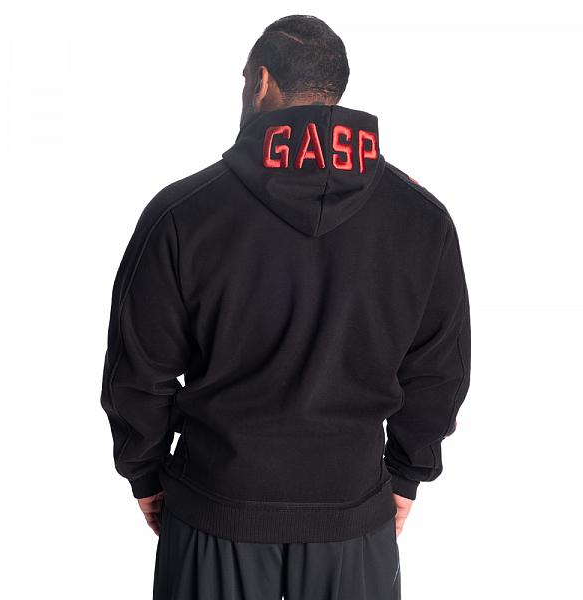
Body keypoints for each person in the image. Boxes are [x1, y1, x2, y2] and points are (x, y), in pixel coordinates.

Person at [99, 14, 471, 600]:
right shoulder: (423, 220)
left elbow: (138, 371)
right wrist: (407, 471)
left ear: (262, 82)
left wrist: (144, 470)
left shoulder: (182, 213)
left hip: (214, 510)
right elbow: (440, 371)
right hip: (353, 515)